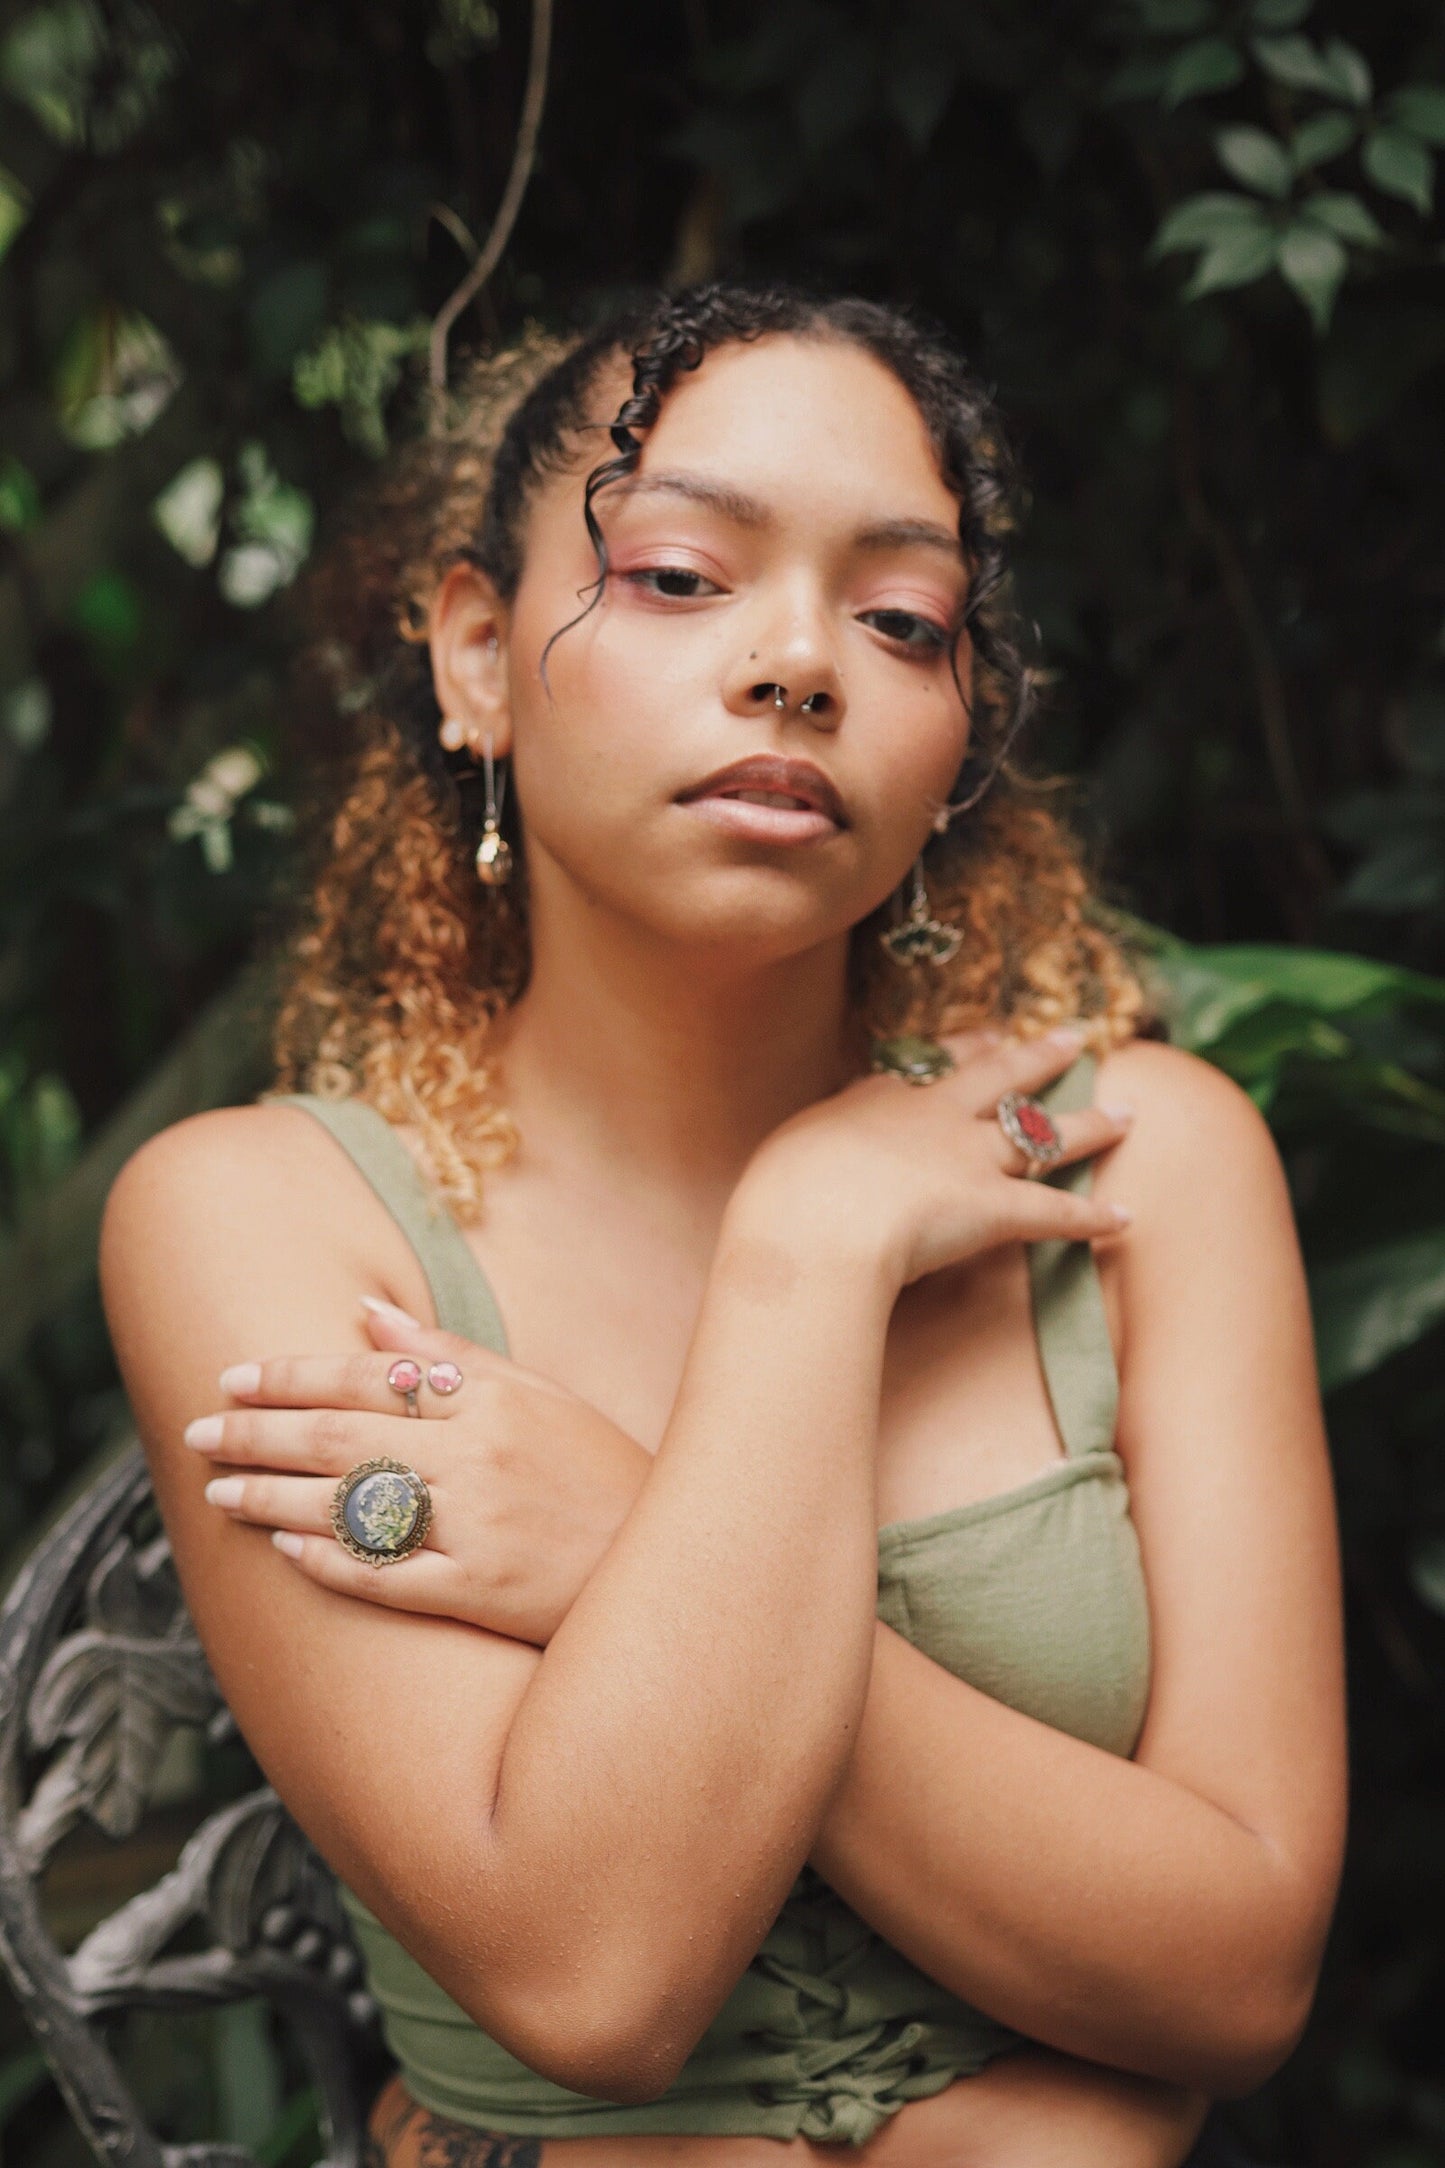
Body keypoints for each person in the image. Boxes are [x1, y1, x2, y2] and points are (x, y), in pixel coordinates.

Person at [99, 282, 1346, 2168]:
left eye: (901, 618)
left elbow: (1239, 1981)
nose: (798, 661)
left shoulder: (1142, 1163)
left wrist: (611, 1529)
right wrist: (807, 1253)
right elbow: (597, 1984)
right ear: (476, 660)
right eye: (682, 575)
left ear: (956, 742)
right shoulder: (255, 1217)